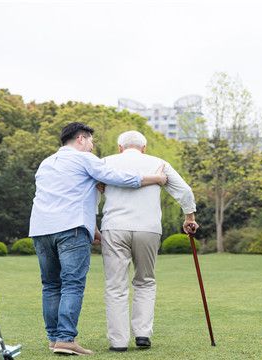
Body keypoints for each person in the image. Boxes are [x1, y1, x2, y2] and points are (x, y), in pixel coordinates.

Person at [29, 122, 168, 356]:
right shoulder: (84, 159)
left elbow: (72, 193)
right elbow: (119, 177)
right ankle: (66, 339)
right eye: (91, 141)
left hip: (41, 229)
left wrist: (93, 227)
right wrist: (155, 179)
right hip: (71, 229)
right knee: (72, 284)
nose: (93, 147)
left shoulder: (46, 163)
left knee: (51, 285)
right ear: (81, 139)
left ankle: (54, 339)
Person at [98, 130, 198, 352]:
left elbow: (91, 190)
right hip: (148, 229)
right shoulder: (157, 163)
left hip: (114, 227)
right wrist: (189, 217)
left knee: (116, 285)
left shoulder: (105, 162)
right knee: (145, 280)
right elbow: (184, 190)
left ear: (119, 147)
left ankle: (118, 342)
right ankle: (142, 334)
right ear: (144, 148)